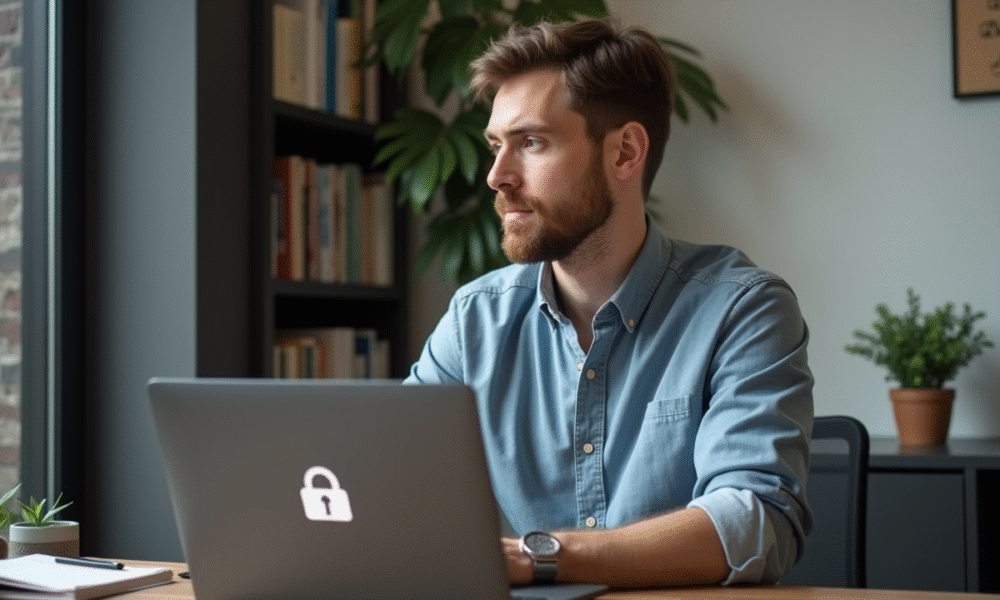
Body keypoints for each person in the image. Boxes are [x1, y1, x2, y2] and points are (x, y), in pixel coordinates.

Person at [405, 17, 813, 588]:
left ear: (625, 152)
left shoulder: (742, 309)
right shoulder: (476, 320)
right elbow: (388, 480)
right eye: (496, 146)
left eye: (532, 143)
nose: (497, 176)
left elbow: (752, 522)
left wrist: (541, 557)